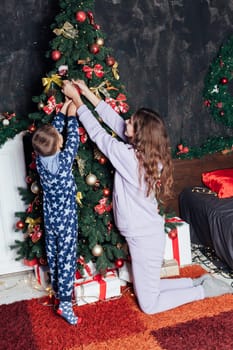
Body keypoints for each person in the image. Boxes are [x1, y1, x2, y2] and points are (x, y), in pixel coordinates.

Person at [62, 79, 233, 315]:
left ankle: (203, 291)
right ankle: (197, 282)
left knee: (149, 305)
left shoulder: (129, 158)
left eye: (131, 122)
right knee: (149, 287)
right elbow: (116, 123)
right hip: (146, 233)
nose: (126, 121)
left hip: (143, 238)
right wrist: (88, 94)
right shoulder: (146, 154)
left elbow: (99, 135)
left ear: (139, 136)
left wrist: (78, 101)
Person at [32, 99, 81, 325]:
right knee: (67, 259)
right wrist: (71, 115)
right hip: (66, 220)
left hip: (50, 219)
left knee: (53, 256)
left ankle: (57, 291)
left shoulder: (40, 160)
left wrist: (60, 110)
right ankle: (65, 304)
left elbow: (52, 134)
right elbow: (74, 138)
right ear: (59, 144)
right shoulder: (63, 160)